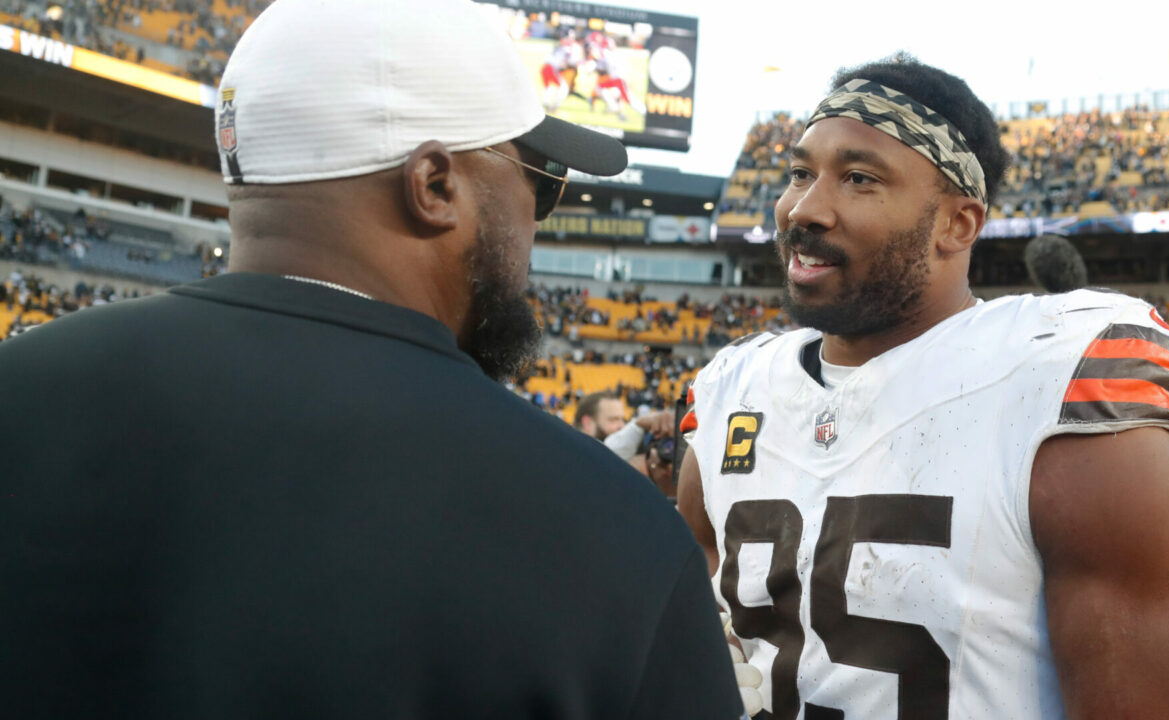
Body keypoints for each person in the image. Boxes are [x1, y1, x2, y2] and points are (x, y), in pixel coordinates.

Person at [0, 2, 743, 719]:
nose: (534, 221)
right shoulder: (611, 532)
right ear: (436, 185)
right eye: (540, 184)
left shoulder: (20, 392)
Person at [676, 54, 1169, 719]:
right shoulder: (731, 389)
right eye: (800, 173)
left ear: (957, 224)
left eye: (858, 179)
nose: (805, 208)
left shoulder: (1054, 375)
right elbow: (688, 600)